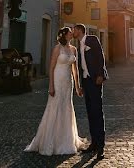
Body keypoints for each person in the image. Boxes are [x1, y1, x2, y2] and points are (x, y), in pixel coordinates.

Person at [25, 27, 88, 156]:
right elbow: (51, 67)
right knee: (55, 107)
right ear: (64, 35)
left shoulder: (73, 49)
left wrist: (77, 86)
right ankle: (50, 141)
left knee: (67, 107)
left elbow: (75, 70)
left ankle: (67, 139)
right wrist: (51, 86)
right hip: (58, 80)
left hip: (67, 82)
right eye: (70, 32)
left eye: (72, 32)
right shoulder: (57, 48)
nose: (72, 33)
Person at [73, 23, 108, 160]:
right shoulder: (78, 47)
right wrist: (80, 86)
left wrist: (100, 74)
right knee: (90, 112)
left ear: (80, 30)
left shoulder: (92, 39)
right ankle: (93, 143)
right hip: (86, 82)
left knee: (97, 112)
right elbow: (81, 68)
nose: (73, 32)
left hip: (95, 80)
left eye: (74, 30)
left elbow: (100, 56)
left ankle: (100, 147)